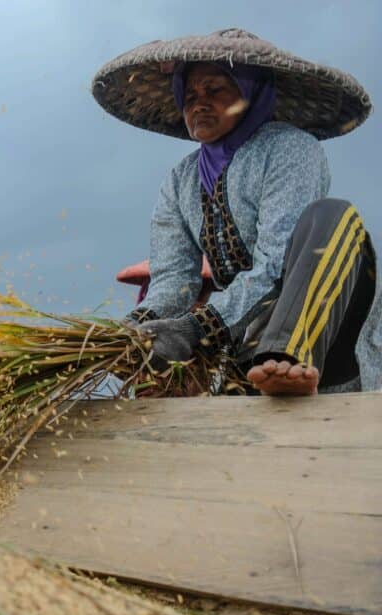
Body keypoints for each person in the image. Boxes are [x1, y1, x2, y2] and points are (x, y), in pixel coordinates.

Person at [93, 28, 380, 395]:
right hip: (247, 337)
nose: (199, 103)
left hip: (328, 328)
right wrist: (127, 333)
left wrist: (198, 328)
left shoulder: (289, 148)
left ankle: (290, 355)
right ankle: (261, 365)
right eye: (190, 95)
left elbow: (275, 261)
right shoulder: (181, 180)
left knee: (334, 216)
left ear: (249, 94)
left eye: (215, 90)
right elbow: (173, 281)